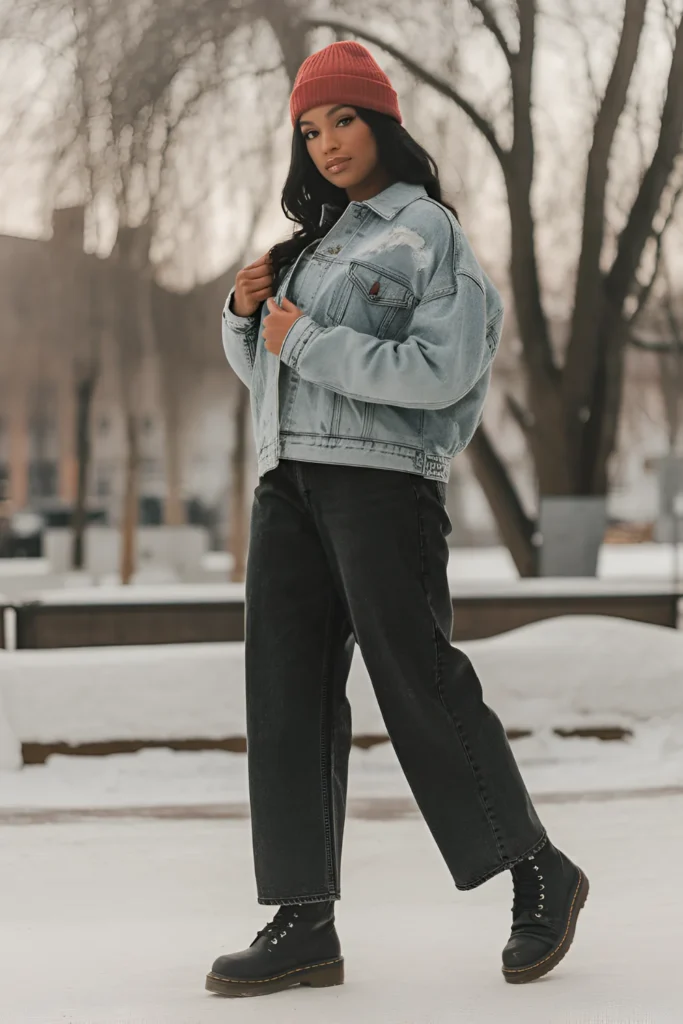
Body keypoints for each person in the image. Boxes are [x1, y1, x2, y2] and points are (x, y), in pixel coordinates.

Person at [207, 40, 588, 999]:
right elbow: (274, 385)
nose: (326, 143)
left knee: (417, 682)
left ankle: (538, 869)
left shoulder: (427, 236)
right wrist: (245, 318)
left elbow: (439, 377)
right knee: (283, 695)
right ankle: (304, 921)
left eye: (342, 120)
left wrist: (312, 338)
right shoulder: (314, 245)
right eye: (309, 129)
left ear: (382, 124)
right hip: (286, 486)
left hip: (381, 489)